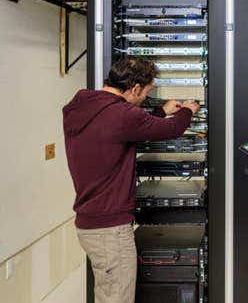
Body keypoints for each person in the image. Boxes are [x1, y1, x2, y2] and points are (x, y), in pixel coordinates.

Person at [62, 56, 199, 303]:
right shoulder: (122, 115)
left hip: (90, 222)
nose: (145, 98)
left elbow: (126, 126)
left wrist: (160, 112)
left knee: (107, 292)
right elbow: (171, 130)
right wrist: (188, 111)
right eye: (145, 93)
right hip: (110, 230)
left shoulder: (82, 106)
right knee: (117, 297)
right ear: (135, 88)